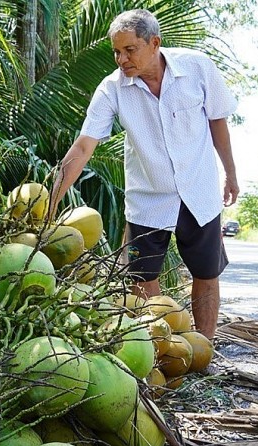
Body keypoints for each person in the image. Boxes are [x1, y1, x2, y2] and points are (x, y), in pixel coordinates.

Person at [49, 9, 238, 339]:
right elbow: (82, 148)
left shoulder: (197, 68)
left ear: (154, 43)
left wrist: (231, 174)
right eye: (116, 52)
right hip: (148, 200)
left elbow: (217, 120)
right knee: (140, 276)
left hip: (199, 191)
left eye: (129, 50)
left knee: (206, 273)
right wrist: (50, 201)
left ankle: (204, 348)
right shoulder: (112, 89)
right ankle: (159, 351)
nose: (121, 59)